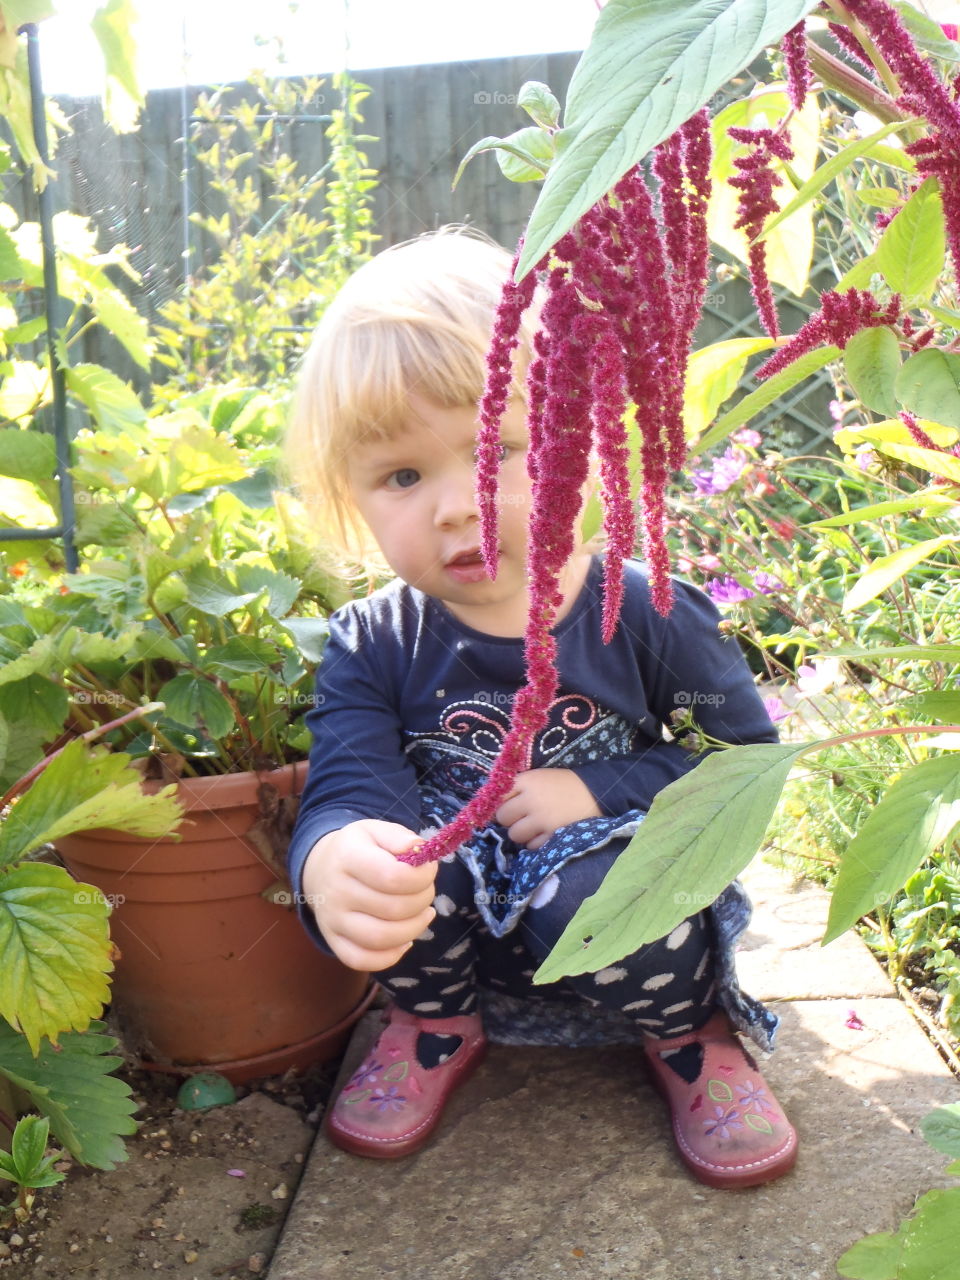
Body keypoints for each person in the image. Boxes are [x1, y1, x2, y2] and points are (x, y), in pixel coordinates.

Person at [283, 227, 797, 1188]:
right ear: (350, 499)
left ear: (585, 442)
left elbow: (742, 765)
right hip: (468, 922)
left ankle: (690, 1036)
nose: (455, 505)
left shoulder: (641, 613)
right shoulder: (374, 641)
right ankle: (434, 1021)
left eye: (498, 451)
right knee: (397, 865)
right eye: (402, 475)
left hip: (618, 911)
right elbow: (351, 782)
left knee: (592, 890)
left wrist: (601, 788)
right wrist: (335, 856)